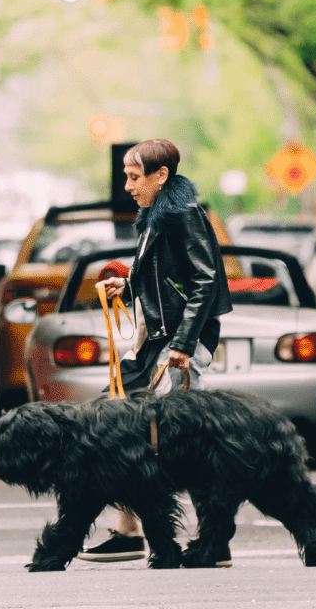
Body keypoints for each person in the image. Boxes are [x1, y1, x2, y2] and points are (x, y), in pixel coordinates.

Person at [78, 138, 232, 564]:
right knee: (127, 431)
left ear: (160, 176)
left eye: (134, 177)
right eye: (126, 176)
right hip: (156, 342)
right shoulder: (155, 215)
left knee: (181, 441)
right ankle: (129, 531)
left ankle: (214, 539)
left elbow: (204, 281)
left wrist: (183, 345)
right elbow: (165, 278)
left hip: (177, 345)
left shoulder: (182, 214)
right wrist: (126, 286)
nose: (127, 186)